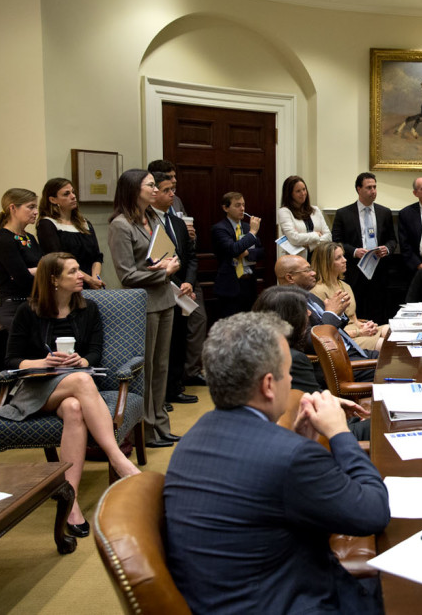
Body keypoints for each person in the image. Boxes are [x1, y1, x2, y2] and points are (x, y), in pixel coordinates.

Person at [164, 312, 390, 614]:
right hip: (295, 602)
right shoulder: (288, 457)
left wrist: (303, 442)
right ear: (269, 384)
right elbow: (373, 513)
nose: (293, 379)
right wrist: (339, 432)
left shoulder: (192, 438)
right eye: (288, 371)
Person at [0, 253, 142, 535]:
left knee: (75, 408)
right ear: (53, 280)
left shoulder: (88, 309)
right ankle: (117, 458)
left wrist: (82, 362)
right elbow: (12, 360)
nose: (81, 275)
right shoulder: (29, 311)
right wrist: (44, 362)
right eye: (73, 271)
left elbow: (95, 354)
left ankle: (70, 500)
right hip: (38, 388)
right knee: (81, 384)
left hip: (75, 387)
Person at [107, 169, 181, 448]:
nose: (155, 189)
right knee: (147, 369)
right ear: (133, 189)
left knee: (162, 367)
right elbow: (127, 275)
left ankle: (161, 424)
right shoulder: (120, 225)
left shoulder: (151, 218)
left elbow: (166, 254)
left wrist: (171, 265)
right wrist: (163, 272)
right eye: (150, 185)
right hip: (142, 304)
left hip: (165, 299)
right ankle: (147, 431)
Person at [251, 285, 370, 441]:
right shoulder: (291, 359)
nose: (309, 313)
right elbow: (316, 408)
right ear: (289, 317)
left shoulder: (258, 349)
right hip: (323, 436)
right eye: (302, 310)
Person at [147, 159, 206, 387]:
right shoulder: (146, 221)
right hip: (161, 285)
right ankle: (164, 391)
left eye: (173, 190)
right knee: (164, 343)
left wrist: (189, 282)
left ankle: (175, 385)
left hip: (182, 287)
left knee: (181, 337)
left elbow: (191, 256)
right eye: (166, 190)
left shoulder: (176, 222)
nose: (172, 194)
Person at [274, 254, 378, 382]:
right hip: (333, 365)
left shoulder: (310, 296)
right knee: (396, 367)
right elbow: (312, 342)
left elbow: (332, 324)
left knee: (401, 356)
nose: (313, 273)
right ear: (290, 277)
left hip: (350, 352)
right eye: (307, 270)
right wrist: (332, 314)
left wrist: (339, 312)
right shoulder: (286, 304)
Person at [332, 172, 396, 325]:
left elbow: (392, 240)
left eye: (374, 187)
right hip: (355, 270)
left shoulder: (384, 212)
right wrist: (355, 252)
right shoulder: (343, 214)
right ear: (358, 189)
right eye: (368, 187)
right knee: (358, 309)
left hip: (379, 270)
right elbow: (337, 241)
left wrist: (386, 249)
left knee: (379, 311)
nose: (373, 191)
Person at [311, 240, 387, 351]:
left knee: (391, 331)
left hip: (358, 331)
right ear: (326, 263)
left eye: (343, 256)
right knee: (387, 344)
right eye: (338, 258)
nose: (345, 260)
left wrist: (365, 326)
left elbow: (354, 319)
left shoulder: (345, 285)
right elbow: (326, 332)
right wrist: (359, 332)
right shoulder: (317, 291)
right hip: (344, 338)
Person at [35, 178, 104, 290]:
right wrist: (87, 279)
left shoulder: (84, 223)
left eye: (73, 192)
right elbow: (58, 260)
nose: (73, 196)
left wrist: (95, 278)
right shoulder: (47, 224)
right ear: (53, 200)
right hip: (66, 285)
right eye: (66, 194)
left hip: (92, 284)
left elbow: (97, 256)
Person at [0, 188, 43, 331]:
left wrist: (32, 270)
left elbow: (46, 267)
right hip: (15, 307)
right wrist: (40, 270)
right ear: (13, 208)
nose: (36, 212)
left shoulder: (30, 238)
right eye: (31, 207)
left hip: (35, 303)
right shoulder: (3, 239)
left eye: (36, 207)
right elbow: (23, 279)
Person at [211, 191, 264, 319]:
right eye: (237, 205)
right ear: (225, 208)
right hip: (230, 286)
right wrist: (252, 233)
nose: (242, 209)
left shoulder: (247, 227)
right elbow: (233, 250)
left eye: (243, 205)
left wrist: (247, 253)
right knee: (231, 327)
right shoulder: (219, 229)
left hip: (249, 283)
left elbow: (261, 251)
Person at [277, 175, 331, 258]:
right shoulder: (284, 212)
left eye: (304, 189)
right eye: (298, 191)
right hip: (298, 260)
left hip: (319, 258)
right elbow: (294, 238)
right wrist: (316, 235)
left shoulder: (315, 210)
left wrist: (309, 245)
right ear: (290, 194)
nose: (303, 193)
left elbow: (328, 237)